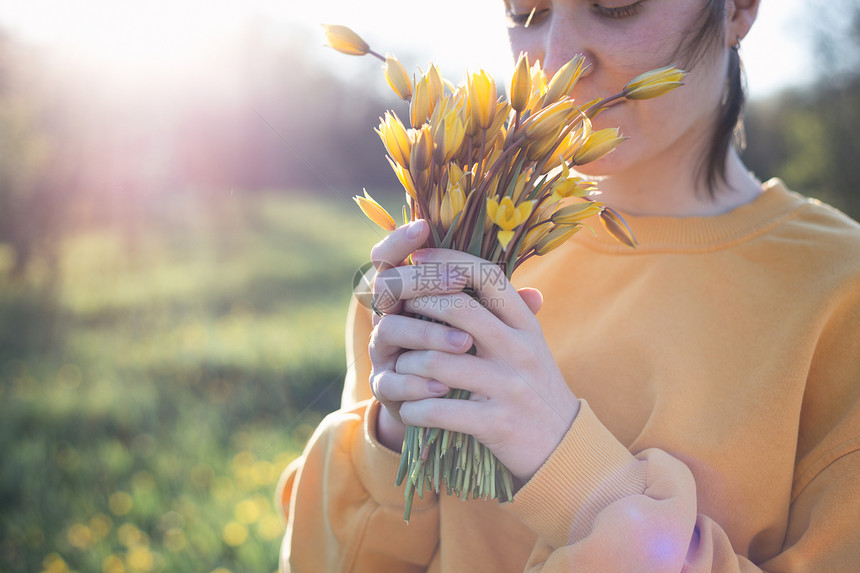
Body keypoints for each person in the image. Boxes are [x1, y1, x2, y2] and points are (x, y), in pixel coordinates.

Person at [277, 0, 860, 570]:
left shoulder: (839, 290)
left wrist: (574, 476)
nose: (556, 59)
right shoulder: (455, 242)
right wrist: (395, 437)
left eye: (615, 7)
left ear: (736, 9)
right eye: (526, 14)